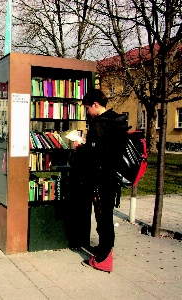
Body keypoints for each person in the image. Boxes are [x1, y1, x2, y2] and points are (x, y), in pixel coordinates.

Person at [74, 89, 129, 273]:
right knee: (106, 216)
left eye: (88, 108)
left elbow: (94, 156)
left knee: (103, 218)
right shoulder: (116, 121)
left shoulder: (100, 125)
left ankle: (104, 259)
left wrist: (80, 148)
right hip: (111, 177)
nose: (87, 112)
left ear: (96, 104)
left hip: (100, 178)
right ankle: (105, 251)